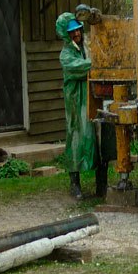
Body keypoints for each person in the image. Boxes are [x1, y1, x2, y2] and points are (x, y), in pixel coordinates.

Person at [56, 11, 95, 199]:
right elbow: (82, 67)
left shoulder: (87, 47)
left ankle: (101, 184)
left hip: (90, 99)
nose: (77, 34)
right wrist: (95, 64)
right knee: (75, 137)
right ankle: (75, 184)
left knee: (97, 137)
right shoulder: (65, 55)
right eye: (72, 32)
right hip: (75, 102)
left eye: (78, 30)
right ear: (66, 34)